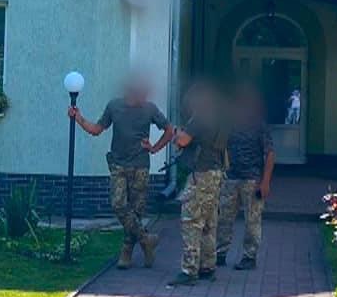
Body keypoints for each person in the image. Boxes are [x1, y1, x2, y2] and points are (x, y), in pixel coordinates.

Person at [69, 73, 174, 268]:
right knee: (118, 204)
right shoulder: (114, 106)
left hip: (141, 166)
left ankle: (127, 253)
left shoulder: (150, 109)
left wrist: (154, 148)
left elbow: (169, 130)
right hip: (118, 164)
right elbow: (97, 129)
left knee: (136, 211)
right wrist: (79, 118)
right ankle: (146, 240)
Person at [170, 80, 227, 285]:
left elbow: (183, 140)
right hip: (215, 173)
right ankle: (207, 266)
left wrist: (175, 133)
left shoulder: (200, 117)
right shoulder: (219, 118)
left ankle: (189, 270)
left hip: (201, 175)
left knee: (191, 221)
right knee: (209, 222)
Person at [217, 83, 276, 270]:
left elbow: (270, 154)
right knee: (224, 218)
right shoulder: (229, 123)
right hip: (231, 178)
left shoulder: (259, 126)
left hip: (252, 180)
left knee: (252, 221)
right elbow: (220, 147)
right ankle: (220, 253)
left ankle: (249, 257)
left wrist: (265, 182)